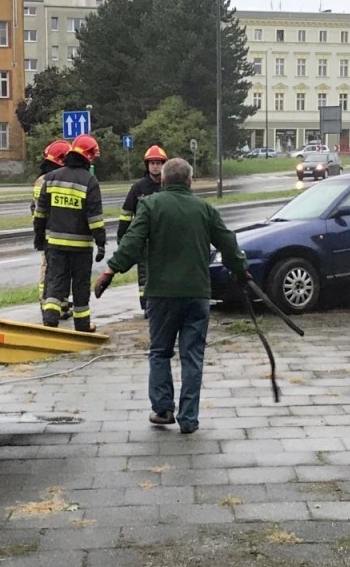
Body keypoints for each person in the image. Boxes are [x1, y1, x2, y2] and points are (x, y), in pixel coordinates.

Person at [94, 157, 249, 435]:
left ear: (163, 181)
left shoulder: (150, 205)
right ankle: (188, 419)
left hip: (161, 294)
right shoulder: (205, 209)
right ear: (190, 181)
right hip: (196, 294)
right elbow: (228, 242)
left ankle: (163, 409)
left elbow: (132, 241)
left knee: (160, 352)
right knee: (192, 356)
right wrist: (241, 270)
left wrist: (110, 271)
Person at [33, 133, 105, 332]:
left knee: (55, 282)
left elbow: (40, 213)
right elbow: (94, 218)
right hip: (81, 248)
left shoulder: (52, 178)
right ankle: (82, 326)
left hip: (55, 244)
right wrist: (101, 243)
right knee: (80, 287)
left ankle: (50, 320)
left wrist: (39, 238)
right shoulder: (90, 181)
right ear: (88, 156)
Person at [118, 144, 168, 315]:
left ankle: (162, 304)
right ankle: (146, 306)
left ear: (163, 165)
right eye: (152, 163)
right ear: (147, 165)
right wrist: (122, 236)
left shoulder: (168, 186)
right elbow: (126, 213)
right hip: (144, 240)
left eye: (158, 163)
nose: (155, 166)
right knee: (144, 274)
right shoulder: (138, 188)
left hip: (164, 238)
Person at [32, 139, 73, 320]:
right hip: (51, 232)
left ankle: (60, 303)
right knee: (50, 269)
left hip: (50, 230)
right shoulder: (48, 181)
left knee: (60, 269)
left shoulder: (43, 179)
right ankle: (46, 302)